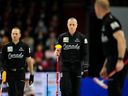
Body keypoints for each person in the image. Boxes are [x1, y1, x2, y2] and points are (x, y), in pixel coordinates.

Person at [94, 0, 128, 96]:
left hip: (118, 61)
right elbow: (110, 49)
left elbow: (121, 40)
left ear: (98, 8)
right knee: (112, 91)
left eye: (95, 8)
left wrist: (120, 60)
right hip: (112, 60)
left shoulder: (111, 21)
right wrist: (105, 66)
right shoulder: (105, 22)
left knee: (114, 90)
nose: (95, 11)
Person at [55, 17, 88, 96]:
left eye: (73, 24)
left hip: (77, 66)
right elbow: (57, 49)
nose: (72, 26)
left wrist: (85, 67)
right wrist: (57, 52)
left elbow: (85, 53)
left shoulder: (82, 38)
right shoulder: (61, 37)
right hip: (65, 66)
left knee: (75, 91)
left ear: (76, 25)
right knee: (64, 88)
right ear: (67, 25)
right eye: (70, 24)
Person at [1, 27, 34, 96]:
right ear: (11, 35)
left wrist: (31, 74)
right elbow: (2, 61)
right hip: (9, 73)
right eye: (13, 33)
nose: (14, 35)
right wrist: (2, 70)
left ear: (20, 35)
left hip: (20, 73)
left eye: (16, 34)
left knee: (19, 94)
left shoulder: (25, 46)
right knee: (11, 94)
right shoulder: (5, 47)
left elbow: (29, 61)